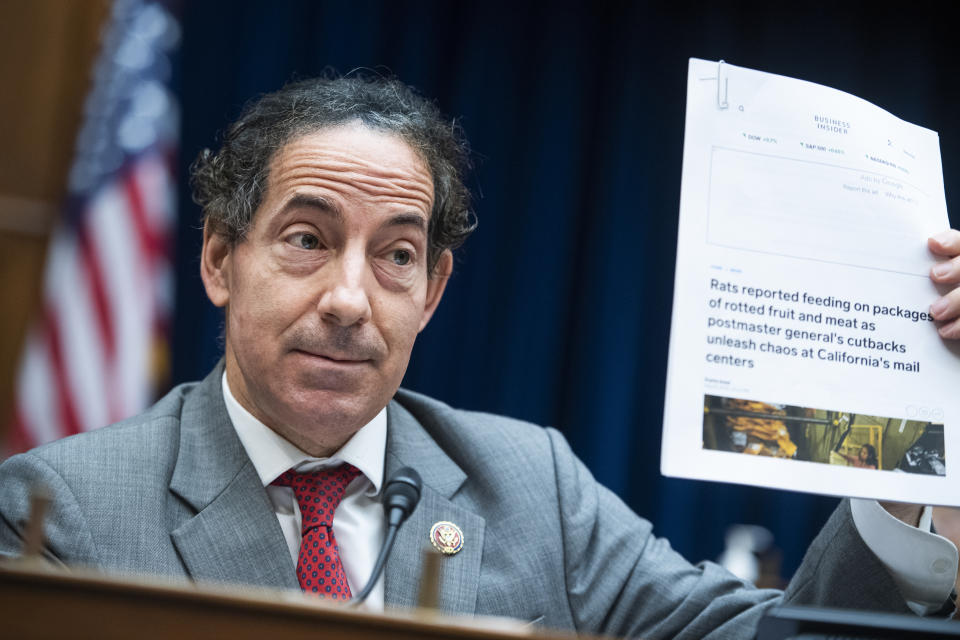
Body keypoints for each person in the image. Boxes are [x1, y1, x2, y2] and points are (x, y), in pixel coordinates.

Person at [1, 75, 958, 638]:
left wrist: (931, 438)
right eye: (304, 238)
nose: (348, 300)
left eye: (397, 255)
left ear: (436, 290)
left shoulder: (528, 484)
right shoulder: (59, 513)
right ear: (220, 258)